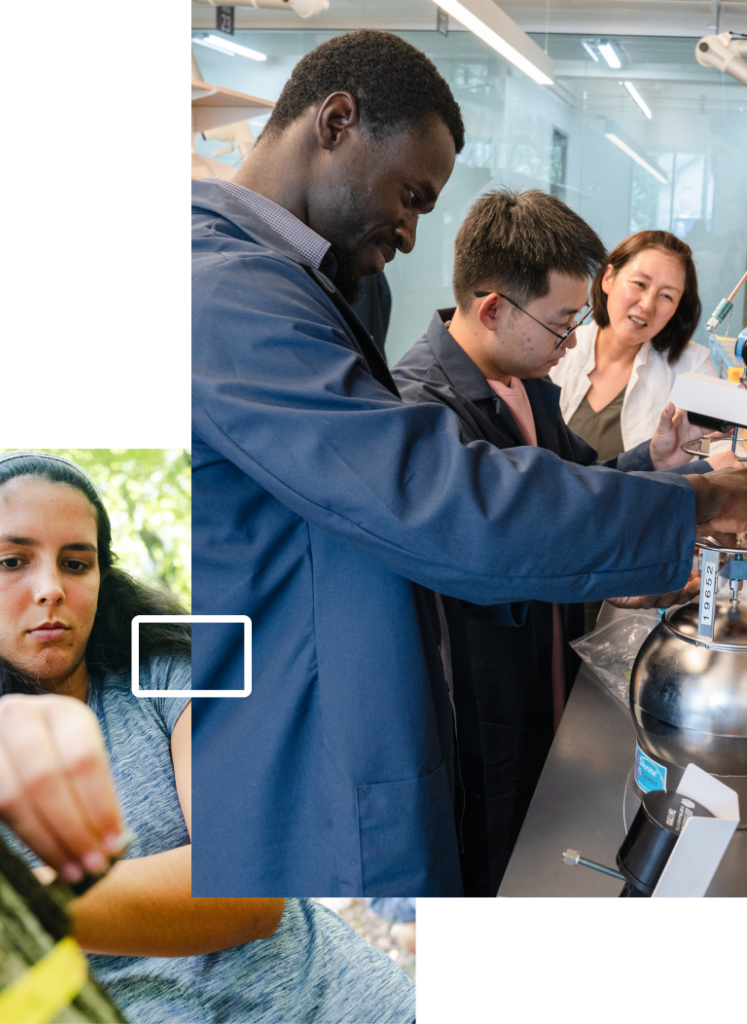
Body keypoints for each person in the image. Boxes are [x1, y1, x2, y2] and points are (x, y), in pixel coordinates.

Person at [190, 29, 747, 898]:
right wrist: (701, 505)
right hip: (309, 765)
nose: (412, 234)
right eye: (410, 195)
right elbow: (434, 494)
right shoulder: (222, 290)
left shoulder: (314, 284)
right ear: (336, 122)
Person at [0, 451, 417, 1024]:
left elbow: (247, 890)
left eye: (76, 563)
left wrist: (6, 898)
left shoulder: (171, 670)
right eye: (12, 560)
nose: (49, 588)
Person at [391, 188, 739, 896]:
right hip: (481, 700)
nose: (574, 339)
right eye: (560, 322)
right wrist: (699, 505)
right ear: (493, 308)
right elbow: (518, 535)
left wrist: (650, 463)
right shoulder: (423, 412)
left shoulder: (526, 385)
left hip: (541, 666)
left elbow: (580, 482)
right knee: (496, 853)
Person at [549, 230, 726, 461]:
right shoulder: (556, 346)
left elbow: (722, 455)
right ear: (608, 279)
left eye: (666, 296)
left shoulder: (693, 366)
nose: (647, 305)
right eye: (640, 284)